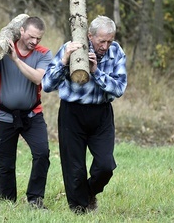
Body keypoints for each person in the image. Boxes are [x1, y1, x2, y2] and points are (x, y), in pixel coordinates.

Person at [42, 15, 127, 214]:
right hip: (72, 113)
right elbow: (46, 85)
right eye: (101, 41)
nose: (105, 46)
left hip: (101, 113)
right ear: (90, 36)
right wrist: (64, 62)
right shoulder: (71, 48)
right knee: (74, 168)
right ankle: (79, 210)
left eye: (110, 40)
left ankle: (89, 193)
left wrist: (96, 72)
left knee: (105, 165)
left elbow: (119, 88)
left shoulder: (117, 52)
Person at [0, 16, 52, 209]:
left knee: (42, 154)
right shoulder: (3, 47)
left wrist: (16, 59)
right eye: (31, 37)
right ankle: (7, 202)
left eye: (38, 38)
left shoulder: (44, 53)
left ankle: (35, 199)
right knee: (6, 163)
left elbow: (39, 79)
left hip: (32, 115)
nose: (34, 41)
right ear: (21, 31)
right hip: (3, 116)